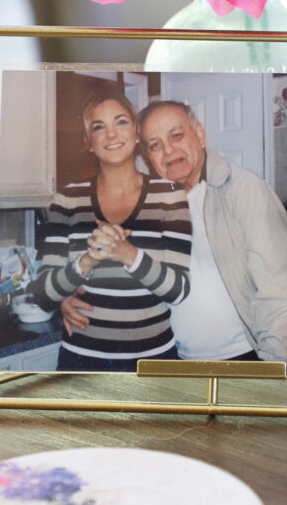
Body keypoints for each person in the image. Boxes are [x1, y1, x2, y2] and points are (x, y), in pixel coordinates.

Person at [62, 99, 287, 366]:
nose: (168, 150)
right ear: (147, 155)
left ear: (199, 134)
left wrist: (270, 368)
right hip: (172, 358)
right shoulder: (150, 204)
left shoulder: (244, 190)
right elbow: (127, 274)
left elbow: (281, 290)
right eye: (155, 145)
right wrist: (67, 297)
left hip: (242, 358)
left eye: (176, 135)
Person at [31, 87, 192, 371]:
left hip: (153, 361)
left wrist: (127, 254)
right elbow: (43, 294)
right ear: (88, 141)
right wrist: (86, 262)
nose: (112, 135)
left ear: (137, 133)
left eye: (121, 122)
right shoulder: (67, 199)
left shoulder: (169, 195)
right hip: (81, 360)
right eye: (99, 127)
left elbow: (178, 290)